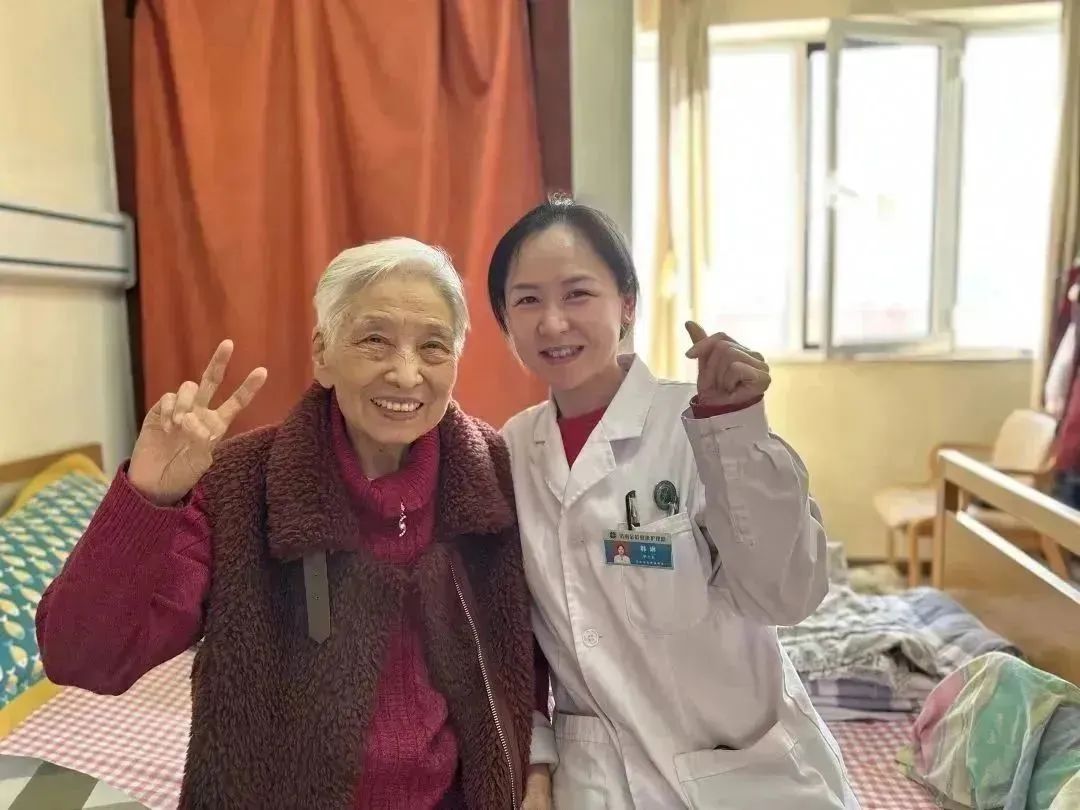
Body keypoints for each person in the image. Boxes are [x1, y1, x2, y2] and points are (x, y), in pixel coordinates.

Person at [37, 239, 548, 810]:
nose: (406, 374)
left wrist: (535, 771)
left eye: (433, 346)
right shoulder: (241, 485)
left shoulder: (490, 472)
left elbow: (524, 653)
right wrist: (148, 497)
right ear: (322, 354)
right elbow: (82, 658)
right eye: (374, 340)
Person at [489, 197, 858, 809]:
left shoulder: (701, 424)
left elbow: (787, 596)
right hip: (599, 782)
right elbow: (510, 636)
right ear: (505, 320)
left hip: (745, 775)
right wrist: (537, 764)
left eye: (578, 294)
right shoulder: (509, 450)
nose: (552, 323)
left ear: (627, 303)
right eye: (527, 300)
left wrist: (733, 430)